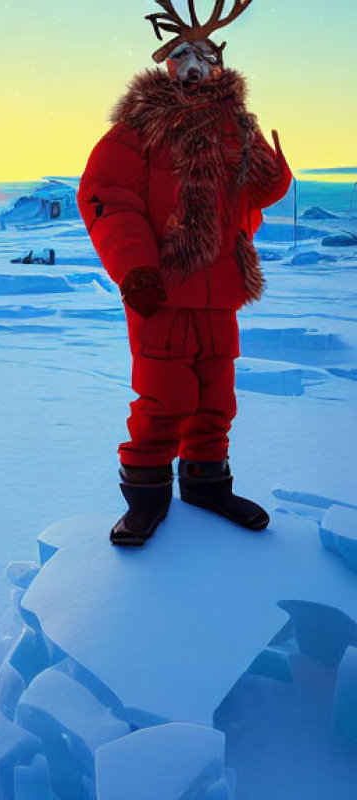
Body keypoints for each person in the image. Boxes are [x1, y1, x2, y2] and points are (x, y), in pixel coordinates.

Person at [78, 0, 292, 546]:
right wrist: (137, 270)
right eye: (182, 54)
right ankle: (146, 499)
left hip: (219, 289)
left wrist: (264, 155)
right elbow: (108, 196)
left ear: (218, 64)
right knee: (164, 398)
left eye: (204, 55)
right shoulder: (138, 129)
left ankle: (206, 484)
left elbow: (258, 191)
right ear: (166, 63)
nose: (194, 65)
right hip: (162, 293)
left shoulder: (232, 127)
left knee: (216, 397)